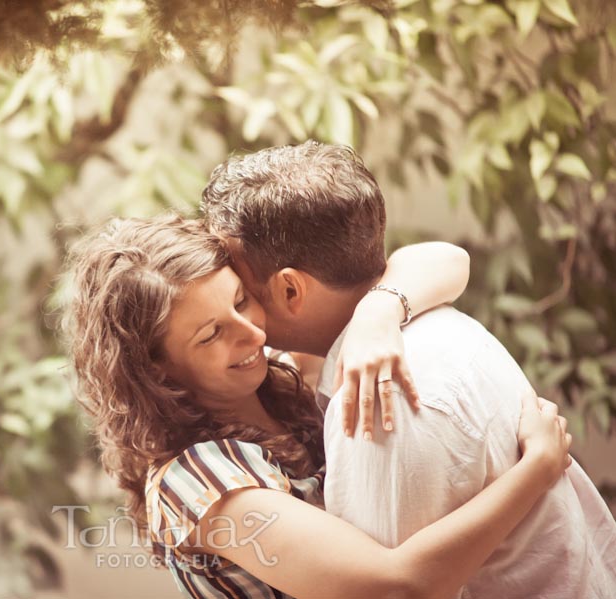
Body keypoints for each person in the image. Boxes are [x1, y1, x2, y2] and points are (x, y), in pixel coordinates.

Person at [63, 214, 572, 599]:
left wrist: (379, 311)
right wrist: (536, 471)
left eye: (240, 300)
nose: (253, 333)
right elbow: (396, 589)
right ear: (156, 373)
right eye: (212, 333)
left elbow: (447, 259)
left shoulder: (282, 381)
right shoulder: (198, 484)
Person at [201, 141, 616, 598]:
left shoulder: (381, 397)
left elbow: (397, 591)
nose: (232, 302)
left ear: (290, 291)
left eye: (239, 289)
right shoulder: (423, 320)